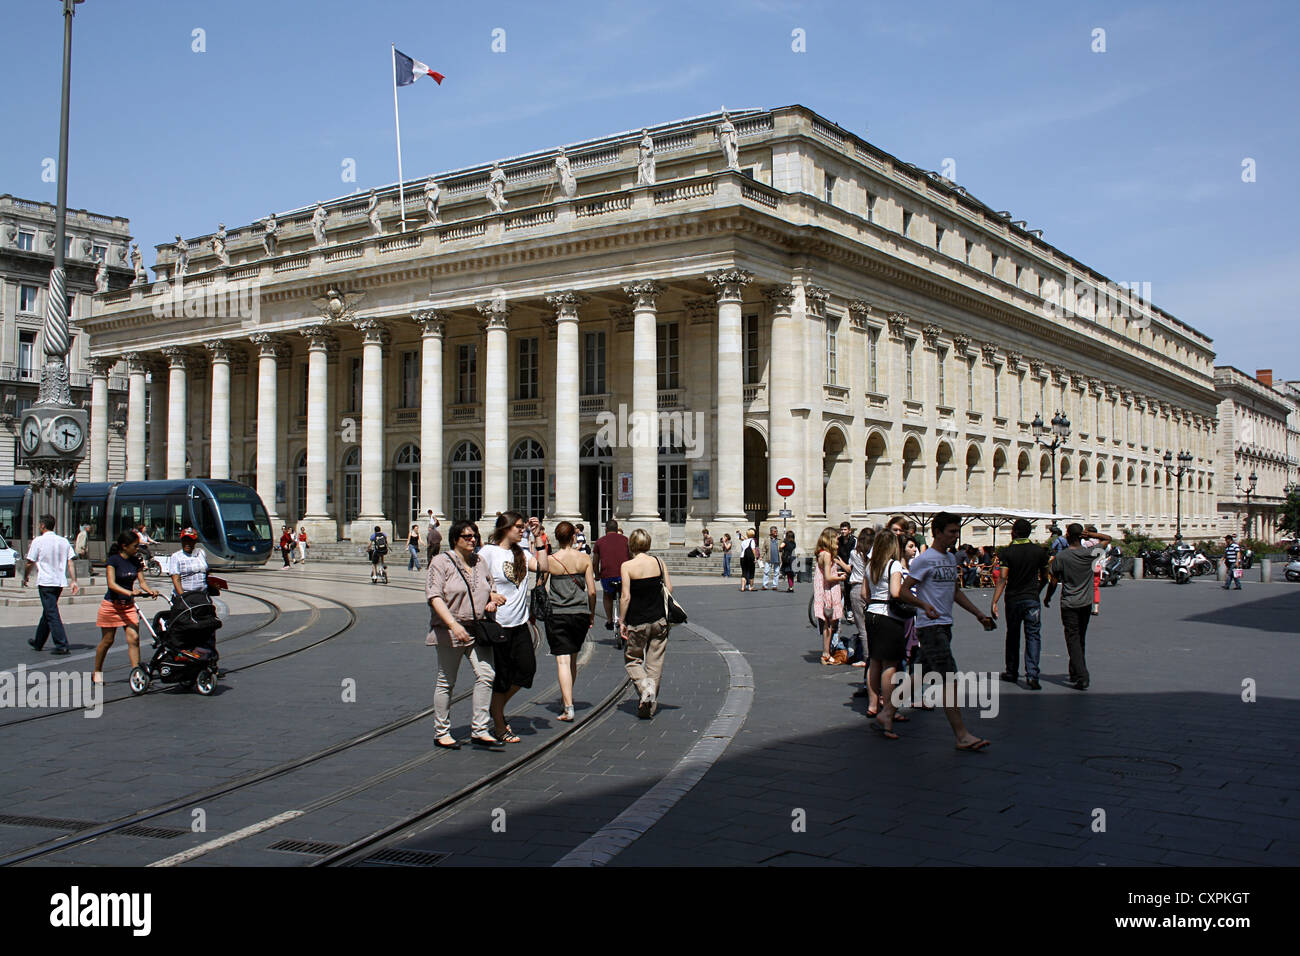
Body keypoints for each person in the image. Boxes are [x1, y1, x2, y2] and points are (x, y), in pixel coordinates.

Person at [902, 512, 995, 751]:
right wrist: (923, 605)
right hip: (929, 627)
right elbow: (903, 591)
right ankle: (961, 735)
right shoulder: (925, 559)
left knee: (922, 674)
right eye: (952, 532)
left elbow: (956, 593)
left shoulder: (951, 559)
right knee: (949, 678)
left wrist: (978, 614)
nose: (955, 536)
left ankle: (886, 712)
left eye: (957, 532)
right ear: (938, 532)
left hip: (945, 624)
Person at [426, 520, 507, 750]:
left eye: (474, 535)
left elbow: (490, 588)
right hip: (450, 630)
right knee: (446, 681)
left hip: (478, 628)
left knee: (486, 675)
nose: (472, 539)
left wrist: (493, 600)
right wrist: (453, 625)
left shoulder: (480, 562)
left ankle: (480, 729)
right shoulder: (440, 562)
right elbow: (434, 596)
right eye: (467, 536)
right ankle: (441, 731)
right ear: (455, 539)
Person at [478, 513, 540, 744]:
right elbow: (475, 581)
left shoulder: (522, 553)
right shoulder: (487, 553)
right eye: (518, 527)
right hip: (498, 624)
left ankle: (495, 711)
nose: (522, 531)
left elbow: (543, 566)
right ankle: (499, 724)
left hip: (519, 622)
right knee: (502, 677)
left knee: (527, 670)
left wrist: (539, 537)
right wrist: (490, 594)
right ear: (505, 528)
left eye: (523, 527)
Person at [862, 528, 923, 738]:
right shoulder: (894, 565)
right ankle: (888, 708)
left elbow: (864, 593)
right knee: (890, 665)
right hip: (889, 616)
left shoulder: (870, 565)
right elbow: (896, 593)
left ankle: (873, 703)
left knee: (875, 661)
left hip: (871, 614)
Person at [1045, 523, 1111, 690]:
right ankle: (1074, 671)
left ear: (1067, 535)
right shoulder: (1091, 553)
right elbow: (1108, 539)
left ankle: (1082, 675)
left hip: (1069, 603)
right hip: (1086, 603)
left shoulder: (1062, 557)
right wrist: (1090, 535)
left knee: (1072, 639)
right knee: (1080, 637)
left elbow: (1053, 581)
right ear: (1081, 535)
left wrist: (1047, 597)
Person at [619, 528, 674, 719]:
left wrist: (621, 620)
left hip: (637, 621)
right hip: (659, 620)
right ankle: (647, 707)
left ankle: (644, 686)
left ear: (631, 544)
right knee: (655, 664)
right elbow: (669, 588)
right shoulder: (659, 562)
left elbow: (625, 597)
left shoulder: (627, 566)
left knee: (632, 660)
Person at [94, 530, 161, 683]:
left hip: (128, 606)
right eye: (135, 546)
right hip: (111, 606)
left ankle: (136, 673)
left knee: (134, 638)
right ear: (124, 546)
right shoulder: (113, 561)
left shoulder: (135, 561)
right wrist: (129, 592)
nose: (137, 549)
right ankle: (97, 671)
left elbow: (142, 582)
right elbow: (111, 584)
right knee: (107, 641)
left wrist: (150, 590)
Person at [546, 521, 596, 722]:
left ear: (556, 538)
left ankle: (568, 706)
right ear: (573, 537)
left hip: (557, 613)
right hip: (579, 613)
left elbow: (543, 586)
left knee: (562, 660)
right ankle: (568, 697)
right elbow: (592, 591)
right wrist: (591, 613)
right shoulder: (584, 559)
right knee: (572, 659)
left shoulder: (551, 560)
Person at [991, 518, 1050, 690]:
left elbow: (1002, 578)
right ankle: (1032, 675)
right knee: (1033, 636)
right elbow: (1045, 577)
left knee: (1013, 635)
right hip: (1032, 599)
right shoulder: (1039, 552)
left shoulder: (1007, 553)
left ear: (1014, 532)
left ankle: (1011, 671)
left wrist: (994, 601)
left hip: (1013, 599)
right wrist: (1037, 592)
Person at [23, 514, 80, 656]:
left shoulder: (38, 541)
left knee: (51, 612)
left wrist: (25, 576)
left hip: (46, 581)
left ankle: (62, 644)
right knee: (48, 611)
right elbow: (70, 562)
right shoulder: (64, 541)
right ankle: (38, 641)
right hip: (59, 582)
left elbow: (30, 561)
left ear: (42, 525)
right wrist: (74, 580)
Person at [812, 527, 846, 665]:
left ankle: (826, 652)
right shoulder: (826, 555)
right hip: (827, 591)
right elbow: (827, 576)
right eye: (836, 539)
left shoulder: (821, 553)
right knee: (828, 624)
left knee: (827, 624)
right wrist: (840, 578)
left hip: (823, 589)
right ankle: (826, 653)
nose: (838, 542)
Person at [592, 520, 631, 634]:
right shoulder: (626, 540)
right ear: (617, 528)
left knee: (607, 595)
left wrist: (597, 574)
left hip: (607, 575)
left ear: (606, 529)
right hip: (624, 575)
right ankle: (625, 618)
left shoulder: (599, 542)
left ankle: (609, 619)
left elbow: (595, 561)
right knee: (626, 595)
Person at [847, 528, 872, 666]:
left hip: (857, 588)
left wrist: (839, 563)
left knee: (862, 627)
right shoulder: (873, 554)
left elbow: (849, 569)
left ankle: (866, 658)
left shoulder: (854, 553)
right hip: (871, 589)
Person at [837, 522, 857, 622]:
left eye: (845, 529)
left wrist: (849, 566)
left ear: (849, 530)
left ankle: (850, 610)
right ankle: (845, 609)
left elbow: (855, 554)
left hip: (851, 566)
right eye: (842, 529)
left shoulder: (854, 540)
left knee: (849, 589)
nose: (843, 531)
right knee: (843, 587)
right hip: (841, 565)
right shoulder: (838, 540)